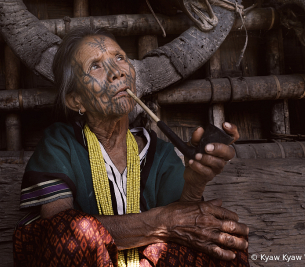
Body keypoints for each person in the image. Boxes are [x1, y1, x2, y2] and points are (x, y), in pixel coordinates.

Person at [13, 27, 250, 267]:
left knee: (225, 243)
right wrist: (161, 223)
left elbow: (186, 227)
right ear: (76, 100)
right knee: (72, 232)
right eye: (95, 65)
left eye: (119, 58)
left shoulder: (160, 154)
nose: (116, 72)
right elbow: (59, 229)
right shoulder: (60, 144)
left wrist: (196, 182)